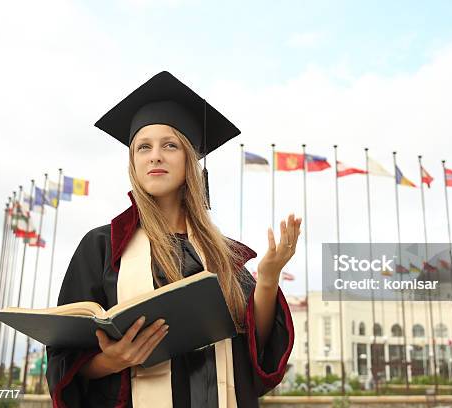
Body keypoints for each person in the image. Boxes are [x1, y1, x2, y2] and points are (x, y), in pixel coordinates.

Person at [46, 71, 299, 407]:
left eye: (170, 145)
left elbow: (257, 347)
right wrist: (115, 359)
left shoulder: (223, 253)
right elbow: (66, 362)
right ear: (133, 162)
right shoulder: (103, 246)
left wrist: (267, 280)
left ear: (190, 162)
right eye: (143, 148)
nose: (155, 156)